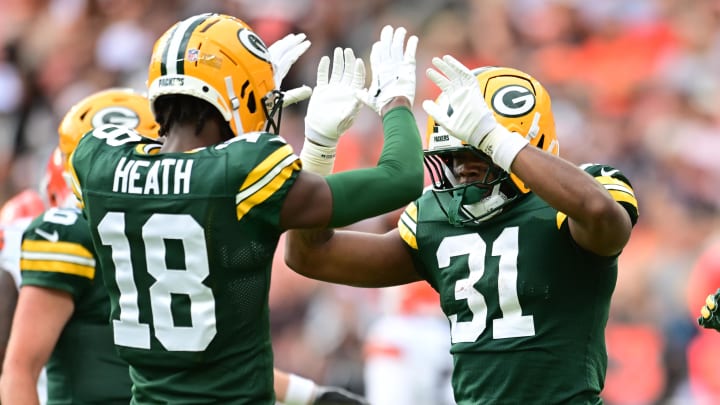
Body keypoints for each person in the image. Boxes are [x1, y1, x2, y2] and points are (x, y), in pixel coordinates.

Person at [66, 13, 422, 404]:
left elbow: (167, 175)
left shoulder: (98, 163)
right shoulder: (238, 174)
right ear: (239, 96)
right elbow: (400, 179)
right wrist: (396, 101)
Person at [285, 55, 639, 404]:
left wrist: (494, 138)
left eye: (479, 156)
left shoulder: (582, 196)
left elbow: (600, 213)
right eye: (454, 159)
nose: (463, 172)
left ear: (525, 142)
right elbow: (310, 255)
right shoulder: (437, 218)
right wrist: (318, 153)